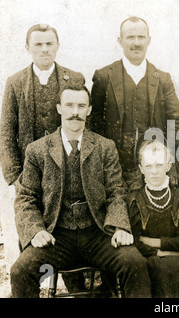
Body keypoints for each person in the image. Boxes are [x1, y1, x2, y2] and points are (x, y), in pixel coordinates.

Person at [10, 85, 151, 298]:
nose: (75, 111)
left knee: (135, 263)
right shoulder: (37, 150)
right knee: (20, 271)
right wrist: (35, 230)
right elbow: (26, 197)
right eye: (69, 105)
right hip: (57, 236)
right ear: (59, 108)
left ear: (89, 110)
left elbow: (115, 191)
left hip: (97, 233)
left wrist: (120, 226)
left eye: (81, 106)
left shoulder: (105, 147)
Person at [0, 23, 86, 292]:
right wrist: (17, 178)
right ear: (28, 48)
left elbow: (83, 127)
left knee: (72, 244)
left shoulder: (75, 78)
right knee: (34, 249)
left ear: (57, 46)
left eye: (50, 43)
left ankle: (78, 290)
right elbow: (6, 132)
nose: (45, 49)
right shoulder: (15, 83)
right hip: (32, 181)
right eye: (38, 44)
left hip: (69, 178)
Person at [90, 16, 179, 188]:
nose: (136, 43)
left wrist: (170, 162)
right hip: (112, 167)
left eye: (141, 37)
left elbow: (174, 122)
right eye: (130, 37)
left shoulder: (163, 79)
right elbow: (94, 123)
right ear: (120, 41)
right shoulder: (104, 77)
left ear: (149, 40)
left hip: (152, 169)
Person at [128, 139, 179, 298]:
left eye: (159, 165)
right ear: (141, 169)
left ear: (168, 166)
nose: (154, 171)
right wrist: (162, 252)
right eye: (149, 166)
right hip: (149, 263)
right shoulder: (135, 200)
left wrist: (153, 242)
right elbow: (135, 241)